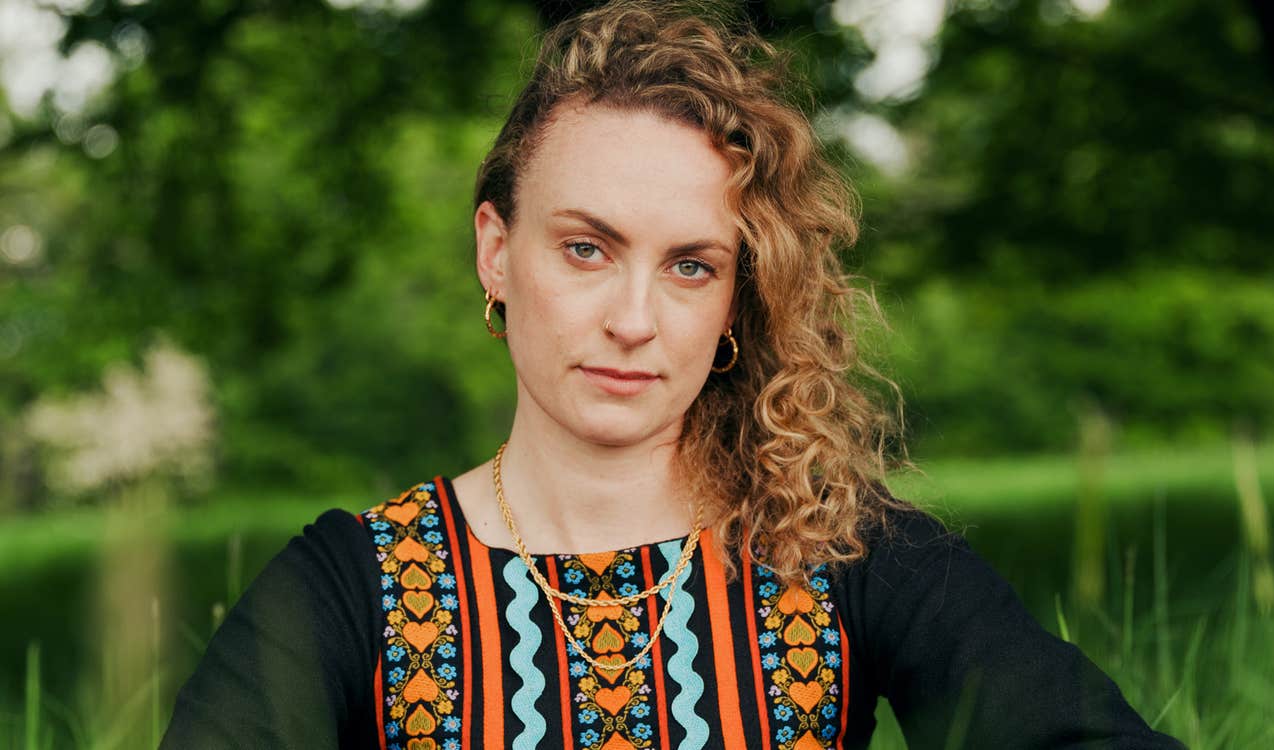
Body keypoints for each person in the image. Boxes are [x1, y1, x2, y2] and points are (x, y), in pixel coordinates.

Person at [162, 1, 1186, 748]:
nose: (634, 320)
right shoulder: (356, 589)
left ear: (736, 298)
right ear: (495, 251)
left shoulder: (842, 556)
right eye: (586, 248)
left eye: (691, 266)